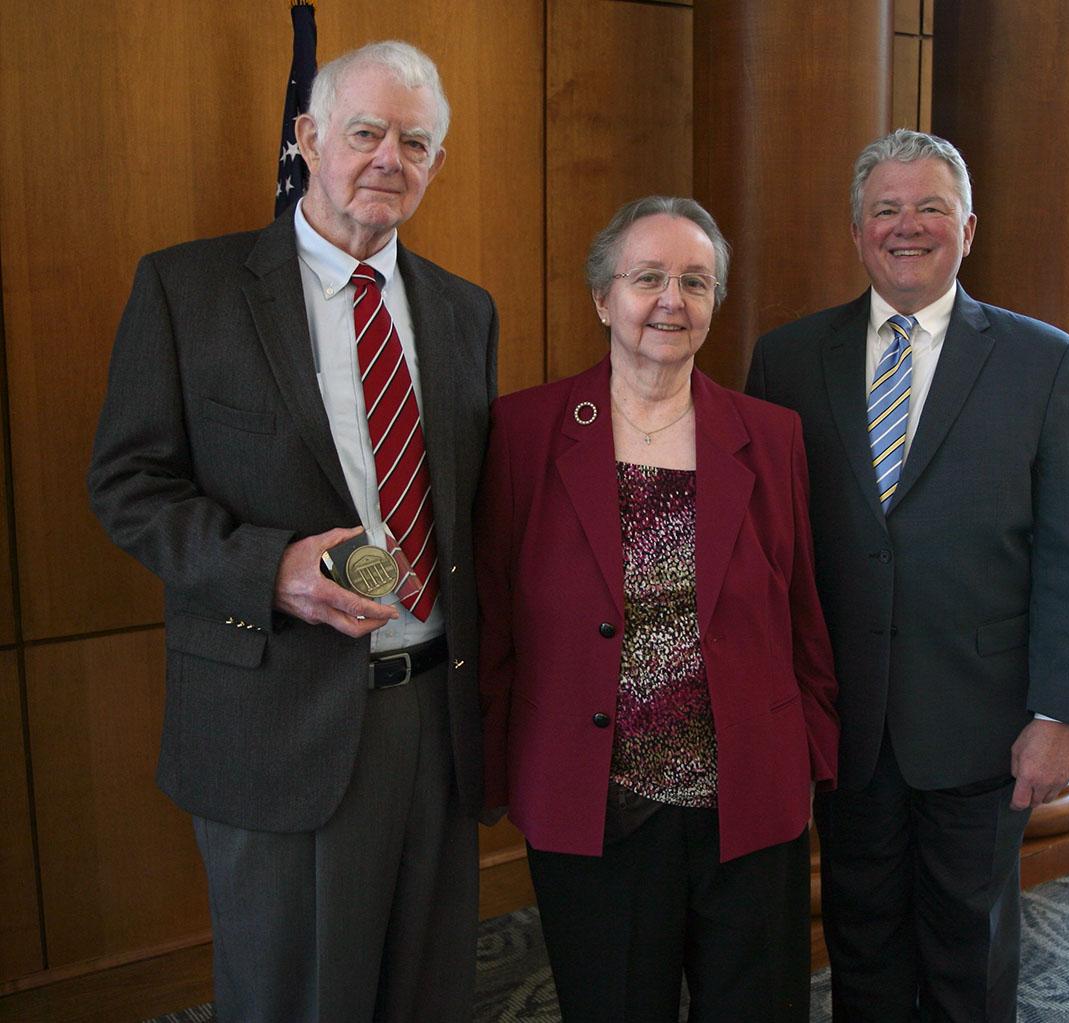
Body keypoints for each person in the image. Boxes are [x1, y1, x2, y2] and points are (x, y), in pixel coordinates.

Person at [87, 40, 497, 1022]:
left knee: (426, 994)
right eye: (365, 132)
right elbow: (128, 483)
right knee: (293, 1004)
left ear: (437, 164)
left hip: (433, 720)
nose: (389, 158)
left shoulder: (462, 311)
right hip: (279, 714)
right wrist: (263, 569)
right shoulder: (190, 290)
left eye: (416, 141)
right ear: (309, 138)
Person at [746, 129, 1069, 1021]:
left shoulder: (1041, 359)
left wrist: (1058, 714)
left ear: (969, 228)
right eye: (886, 210)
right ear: (857, 231)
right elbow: (766, 553)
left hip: (983, 725)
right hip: (848, 725)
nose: (907, 226)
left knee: (967, 949)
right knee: (862, 943)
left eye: (930, 208)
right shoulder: (788, 360)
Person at [475, 195, 839, 1022]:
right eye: (648, 277)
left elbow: (803, 610)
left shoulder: (770, 433)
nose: (671, 299)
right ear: (604, 297)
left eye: (695, 281)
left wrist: (813, 751)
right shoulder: (526, 430)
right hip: (594, 800)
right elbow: (496, 612)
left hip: (746, 796)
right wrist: (495, 762)